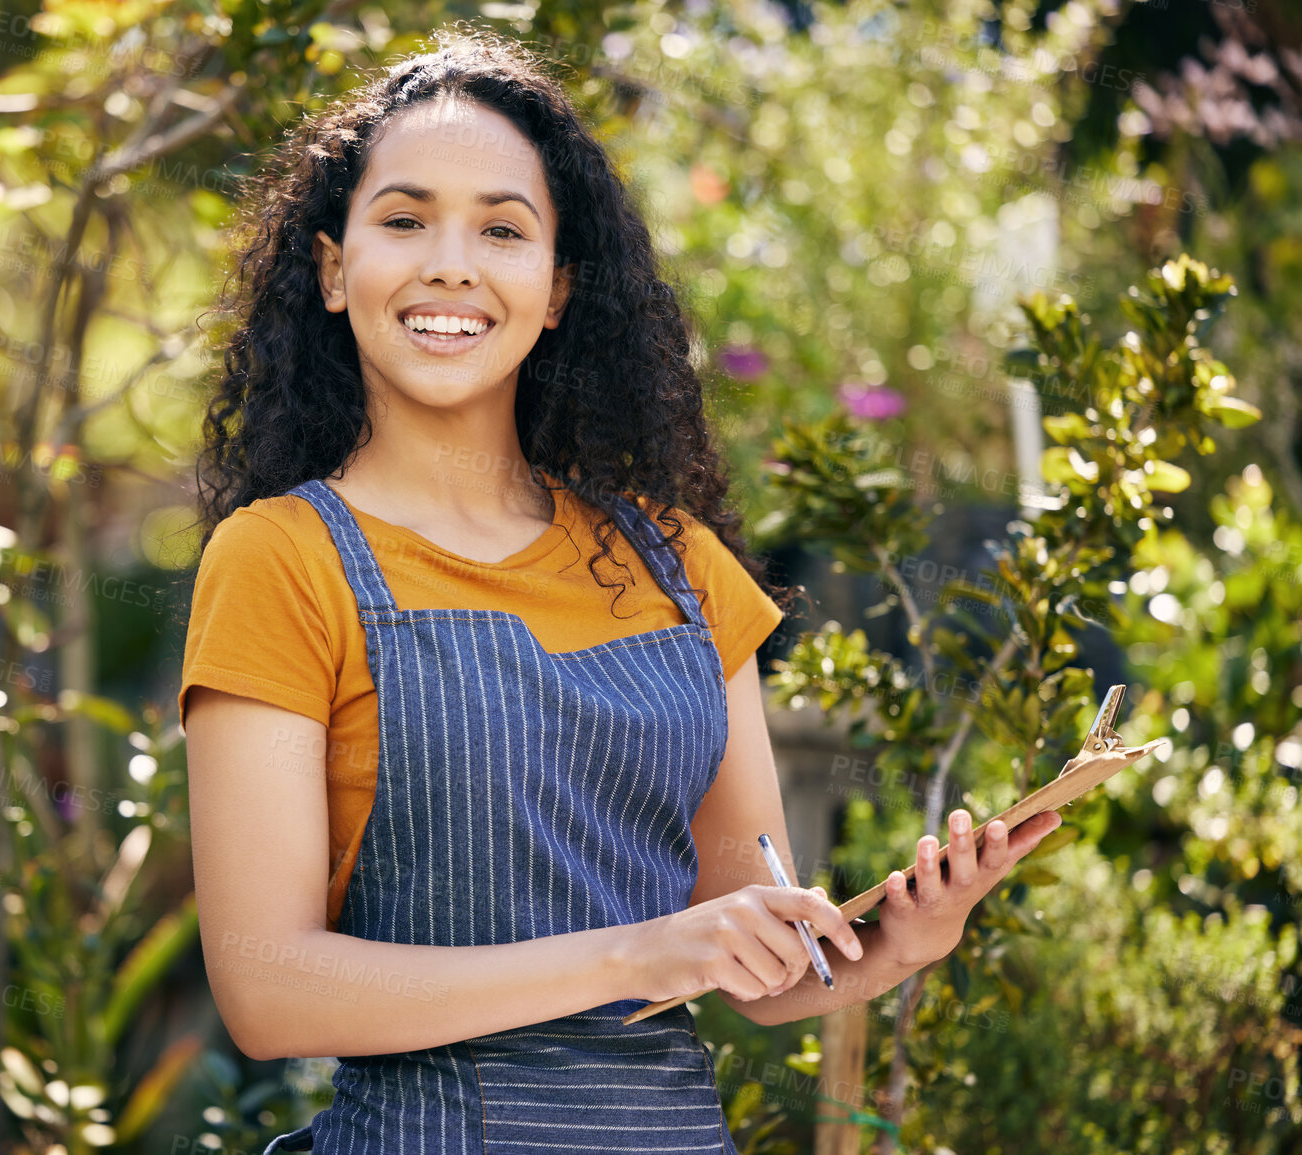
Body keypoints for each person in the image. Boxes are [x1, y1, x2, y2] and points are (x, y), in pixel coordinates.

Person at [179, 26, 1062, 1155]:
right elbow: (267, 993)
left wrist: (900, 938)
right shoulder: (280, 560)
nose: (451, 262)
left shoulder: (679, 564)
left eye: (503, 229)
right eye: (404, 220)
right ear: (332, 268)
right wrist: (644, 953)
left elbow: (758, 965)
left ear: (556, 292)